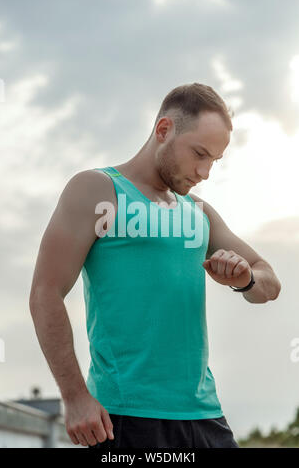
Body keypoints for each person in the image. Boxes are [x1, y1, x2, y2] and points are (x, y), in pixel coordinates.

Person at [29, 83, 281, 449]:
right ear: (164, 131)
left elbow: (269, 284)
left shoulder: (199, 212)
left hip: (204, 416)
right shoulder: (98, 190)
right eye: (199, 153)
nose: (205, 171)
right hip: (126, 420)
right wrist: (75, 397)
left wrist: (244, 279)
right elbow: (44, 294)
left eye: (214, 160)